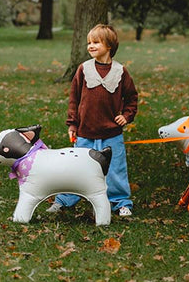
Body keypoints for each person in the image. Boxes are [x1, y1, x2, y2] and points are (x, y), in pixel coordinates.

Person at [48, 23, 138, 217]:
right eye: (89, 42)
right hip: (85, 132)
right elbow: (74, 99)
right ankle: (64, 200)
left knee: (115, 170)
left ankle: (120, 202)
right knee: (77, 169)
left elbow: (131, 98)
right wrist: (72, 124)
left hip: (111, 134)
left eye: (96, 42)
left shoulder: (121, 72)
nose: (90, 46)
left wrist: (126, 115)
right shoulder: (83, 69)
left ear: (109, 46)